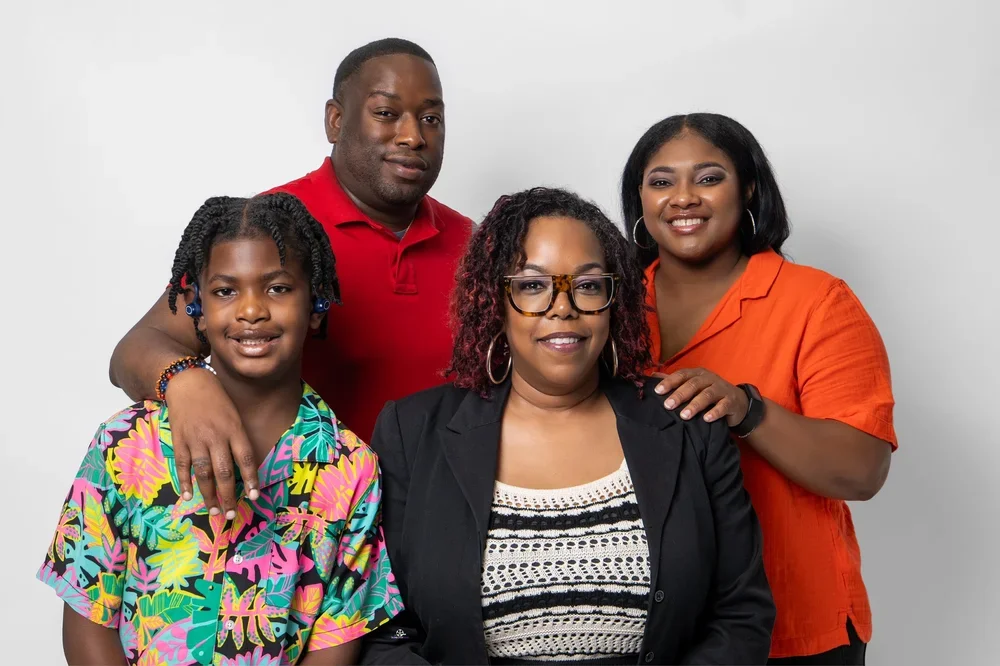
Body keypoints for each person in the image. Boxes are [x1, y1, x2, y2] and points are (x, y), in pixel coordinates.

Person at [360, 187, 775, 665]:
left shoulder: (686, 424)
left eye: (589, 284)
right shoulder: (413, 433)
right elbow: (381, 629)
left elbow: (741, 615)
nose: (564, 307)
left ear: (613, 301)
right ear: (495, 300)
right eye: (533, 285)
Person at [108, 38, 472, 520]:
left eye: (430, 118)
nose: (412, 136)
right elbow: (136, 349)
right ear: (336, 121)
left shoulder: (476, 244)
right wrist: (186, 380)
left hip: (439, 527)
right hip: (302, 526)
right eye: (387, 113)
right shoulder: (275, 235)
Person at [40, 193, 402, 666]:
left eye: (277, 288)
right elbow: (87, 625)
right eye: (226, 291)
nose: (251, 310)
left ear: (315, 305)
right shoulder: (126, 443)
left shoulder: (351, 469)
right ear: (197, 310)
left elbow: (335, 644)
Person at [621, 113, 896, 664]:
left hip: (793, 622)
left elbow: (862, 471)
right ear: (640, 199)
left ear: (748, 187)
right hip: (647, 628)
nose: (683, 198)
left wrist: (747, 410)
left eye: (708, 178)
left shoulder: (817, 301)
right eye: (661, 181)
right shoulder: (607, 305)